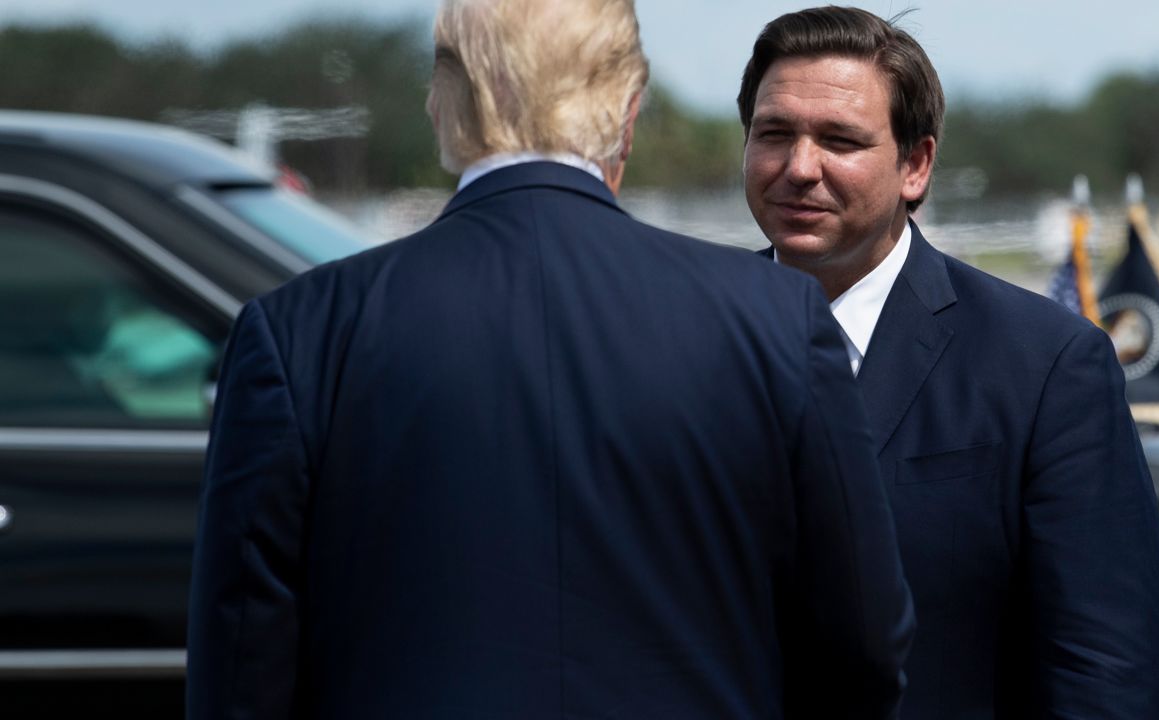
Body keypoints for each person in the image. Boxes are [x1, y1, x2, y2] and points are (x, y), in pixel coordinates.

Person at [186, 1, 914, 718]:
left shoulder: (298, 332)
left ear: (444, 106)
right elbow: (863, 643)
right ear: (628, 113)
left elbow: (244, 663)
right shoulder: (775, 318)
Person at [739, 7, 1159, 719]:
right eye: (774, 134)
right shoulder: (682, 342)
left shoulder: (1045, 367)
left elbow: (1107, 672)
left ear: (916, 165)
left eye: (840, 140)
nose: (799, 168)